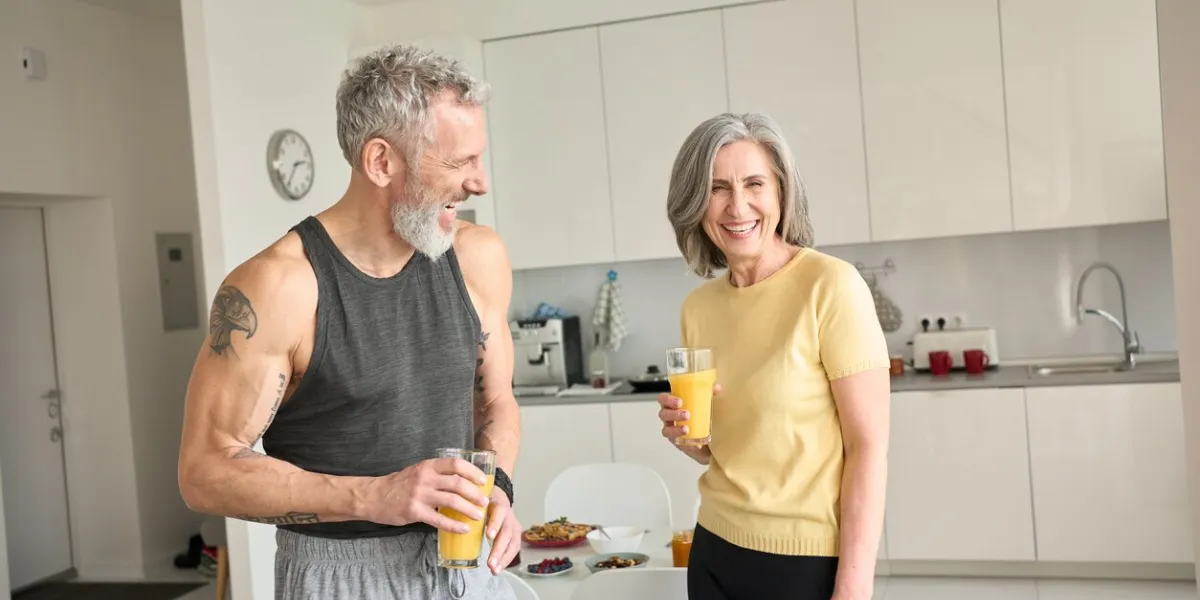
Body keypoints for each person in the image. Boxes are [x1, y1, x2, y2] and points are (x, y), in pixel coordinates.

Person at [177, 44, 520, 600]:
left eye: (479, 159)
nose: (480, 183)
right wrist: (372, 496)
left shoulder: (478, 259)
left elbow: (497, 402)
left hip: (468, 560)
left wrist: (496, 486)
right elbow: (204, 473)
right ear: (381, 161)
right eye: (460, 163)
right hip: (341, 576)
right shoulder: (278, 286)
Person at [657, 112, 890, 600]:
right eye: (717, 188)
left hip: (804, 562)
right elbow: (729, 446)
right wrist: (689, 439)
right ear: (695, 203)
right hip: (713, 549)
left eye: (754, 183)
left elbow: (868, 449)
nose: (737, 206)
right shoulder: (698, 309)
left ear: (781, 192)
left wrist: (853, 587)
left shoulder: (830, 286)